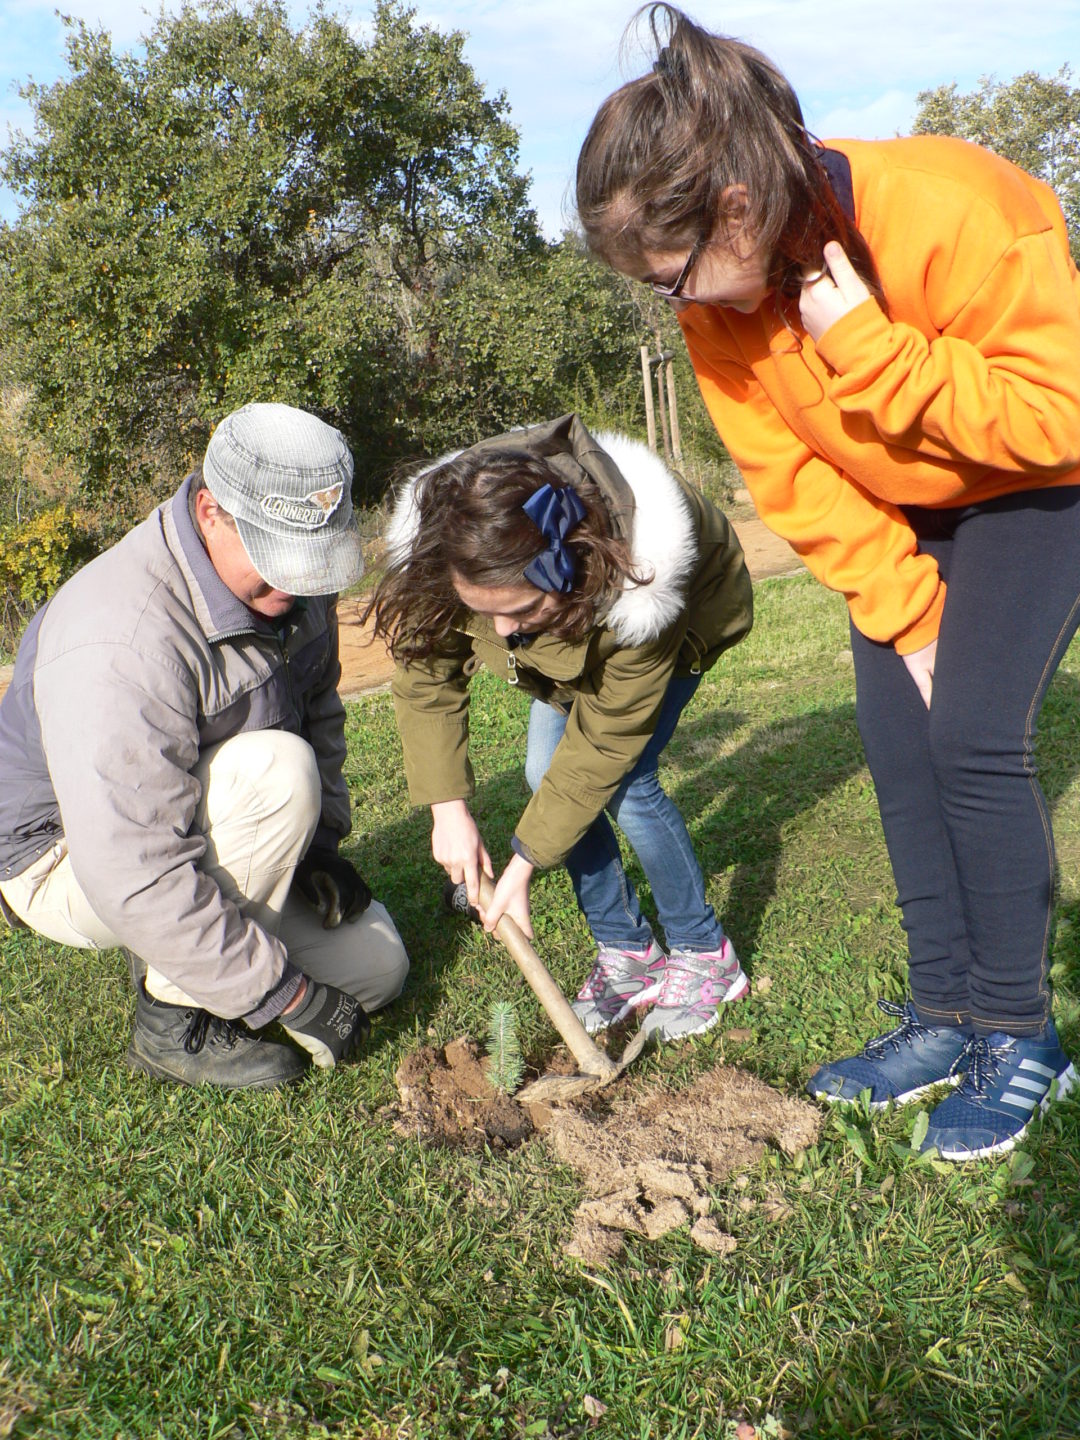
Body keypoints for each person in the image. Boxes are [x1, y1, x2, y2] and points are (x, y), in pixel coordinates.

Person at [574, 4, 1080, 1159]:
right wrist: (905, 614)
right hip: (903, 507)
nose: (678, 303)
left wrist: (871, 352)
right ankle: (944, 1016)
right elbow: (791, 473)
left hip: (1039, 488)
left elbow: (1059, 416)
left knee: (973, 741)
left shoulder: (953, 204)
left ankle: (1021, 1033)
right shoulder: (723, 311)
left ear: (737, 207)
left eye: (674, 275)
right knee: (902, 749)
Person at [0, 402, 409, 1089]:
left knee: (379, 970)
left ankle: (194, 950)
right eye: (277, 556)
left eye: (309, 560)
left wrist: (319, 851)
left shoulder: (295, 593)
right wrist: (290, 998)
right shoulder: (119, 636)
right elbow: (129, 868)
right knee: (277, 774)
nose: (295, 582)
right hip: (63, 856)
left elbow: (321, 713)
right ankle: (172, 1023)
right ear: (213, 510)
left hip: (179, 817)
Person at [369, 413, 752, 1042]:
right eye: (481, 610)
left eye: (518, 609)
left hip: (683, 617)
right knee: (543, 770)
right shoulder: (460, 543)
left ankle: (705, 954)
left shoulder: (640, 582)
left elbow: (605, 740)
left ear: (568, 567)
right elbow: (426, 675)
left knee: (625, 779)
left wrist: (522, 866)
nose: (498, 631)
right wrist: (447, 808)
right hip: (568, 638)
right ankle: (630, 955)